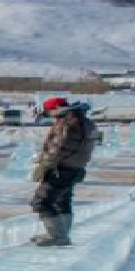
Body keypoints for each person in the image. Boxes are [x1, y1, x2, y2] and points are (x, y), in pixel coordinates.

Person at [29, 96, 98, 247]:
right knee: (62, 201)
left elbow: (59, 148)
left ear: (55, 109)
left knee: (41, 201)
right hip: (75, 168)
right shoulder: (83, 121)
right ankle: (61, 233)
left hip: (61, 169)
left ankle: (57, 236)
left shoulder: (68, 123)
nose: (49, 116)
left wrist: (43, 166)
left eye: (48, 112)